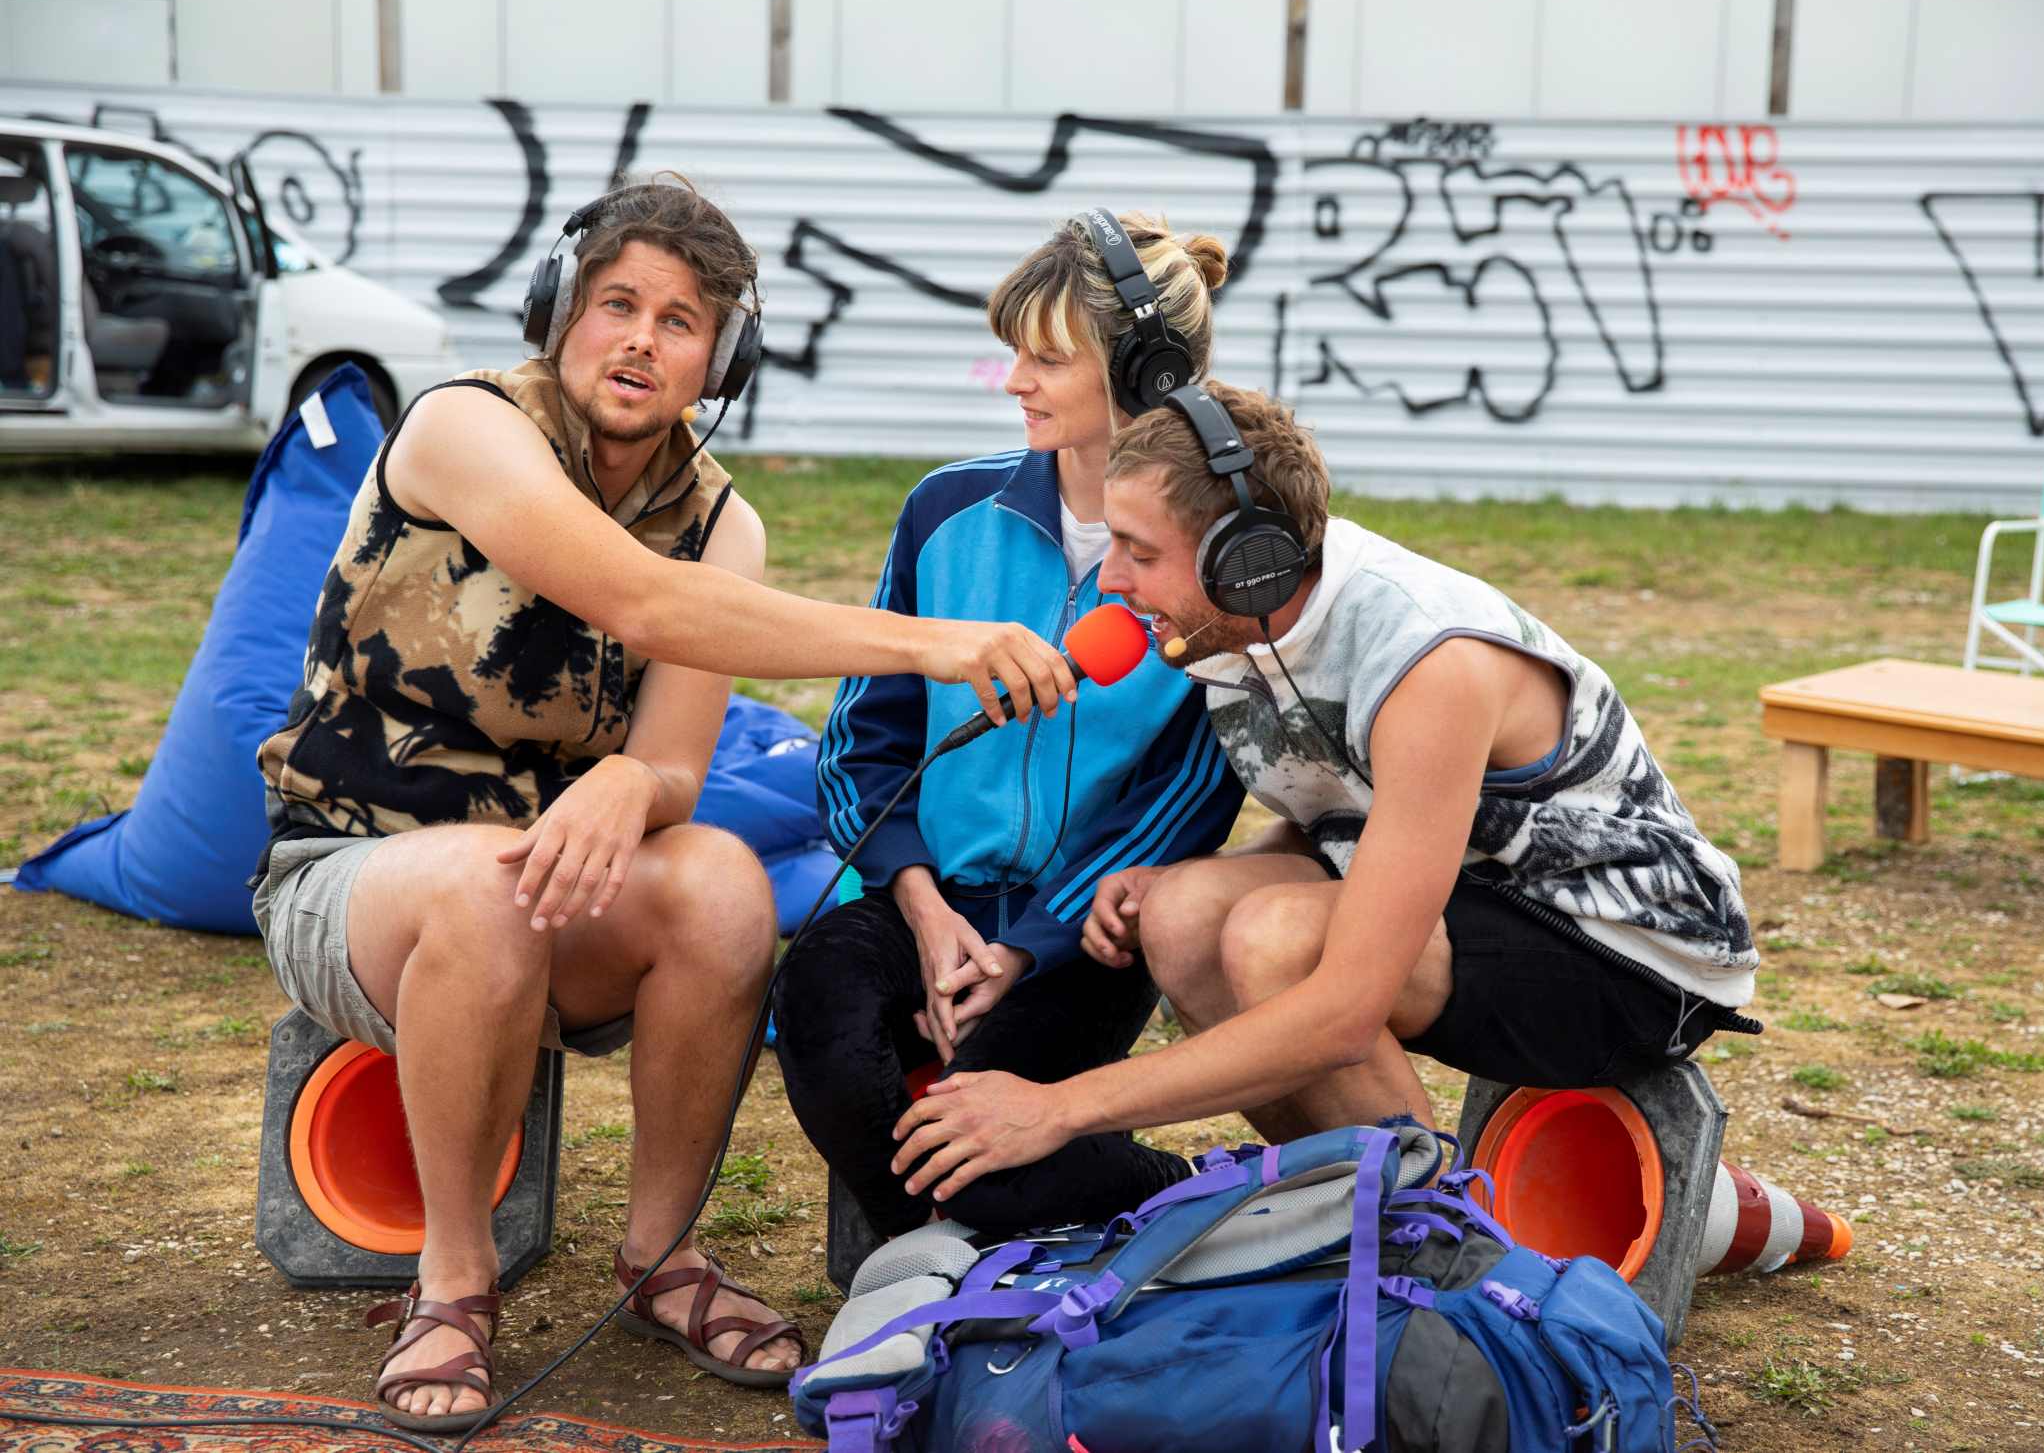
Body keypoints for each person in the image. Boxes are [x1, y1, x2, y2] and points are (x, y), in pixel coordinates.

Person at [250, 175, 1076, 1432]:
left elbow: (680, 765)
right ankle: (455, 1282)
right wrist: (926, 639)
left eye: (682, 320)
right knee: (481, 885)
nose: (641, 338)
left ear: (719, 358)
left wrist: (634, 779)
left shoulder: (721, 520)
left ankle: (661, 1257)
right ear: (560, 312)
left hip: (551, 890)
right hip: (353, 878)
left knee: (721, 881)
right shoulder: (464, 429)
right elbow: (641, 602)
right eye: (617, 303)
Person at [888, 380, 1761, 1206]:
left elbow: (1344, 1011)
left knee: (1279, 939)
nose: (1111, 579)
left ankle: (1441, 1236)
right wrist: (1228, 869)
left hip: (1633, 949)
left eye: (1140, 552)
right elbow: (1361, 815)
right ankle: (1350, 1199)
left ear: (1248, 560)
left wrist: (1056, 1109)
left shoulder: (1427, 657)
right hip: (1477, 895)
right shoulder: (1223, 627)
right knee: (1185, 911)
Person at [773, 211, 1245, 1245]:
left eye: (1044, 357)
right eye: (1012, 355)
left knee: (985, 1145)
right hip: (921, 897)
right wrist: (925, 906)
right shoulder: (943, 510)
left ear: (1143, 368)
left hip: (1078, 938)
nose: (1015, 381)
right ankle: (957, 1240)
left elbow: (1193, 797)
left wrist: (1026, 949)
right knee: (814, 1006)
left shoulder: (1211, 549)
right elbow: (864, 739)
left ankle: (1206, 1189)